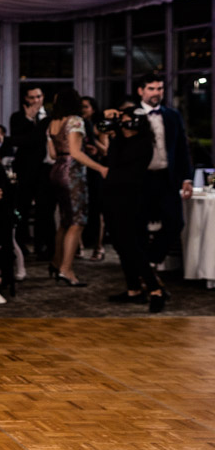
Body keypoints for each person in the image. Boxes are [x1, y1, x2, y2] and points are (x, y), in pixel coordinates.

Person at [99, 106, 166, 312]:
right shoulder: (120, 140)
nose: (125, 125)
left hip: (130, 198)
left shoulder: (142, 143)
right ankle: (133, 289)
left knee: (131, 245)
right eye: (123, 121)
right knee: (120, 245)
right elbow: (111, 160)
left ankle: (155, 289)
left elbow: (119, 164)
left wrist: (117, 135)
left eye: (128, 121)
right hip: (112, 195)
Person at [46, 88, 108, 287]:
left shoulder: (53, 123)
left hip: (56, 170)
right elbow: (75, 152)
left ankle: (56, 263)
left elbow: (54, 154)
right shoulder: (75, 121)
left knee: (65, 220)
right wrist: (100, 167)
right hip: (72, 173)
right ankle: (67, 269)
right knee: (77, 221)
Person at [136, 73, 193, 267]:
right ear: (141, 91)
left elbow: (182, 149)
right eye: (151, 89)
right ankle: (141, 270)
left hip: (166, 178)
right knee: (139, 225)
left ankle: (151, 260)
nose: (156, 93)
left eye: (160, 88)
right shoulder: (132, 115)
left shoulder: (172, 115)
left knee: (175, 223)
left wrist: (187, 178)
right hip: (140, 180)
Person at [10, 85, 54, 259]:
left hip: (45, 168)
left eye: (38, 96)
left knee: (45, 209)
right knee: (22, 207)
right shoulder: (18, 117)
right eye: (32, 97)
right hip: (26, 168)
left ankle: (43, 246)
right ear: (26, 99)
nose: (36, 101)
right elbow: (17, 140)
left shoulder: (50, 117)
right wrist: (29, 119)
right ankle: (20, 245)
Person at [80, 96, 107, 261]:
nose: (83, 110)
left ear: (93, 109)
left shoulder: (99, 126)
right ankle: (80, 246)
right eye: (81, 107)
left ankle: (99, 247)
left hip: (96, 170)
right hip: (81, 169)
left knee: (98, 210)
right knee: (81, 208)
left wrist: (93, 140)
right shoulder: (76, 124)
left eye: (86, 107)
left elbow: (105, 150)